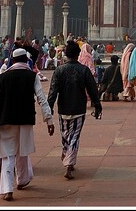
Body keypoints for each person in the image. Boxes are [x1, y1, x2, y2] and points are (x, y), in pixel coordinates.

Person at [0, 47, 55, 201]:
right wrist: (49, 119)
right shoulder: (32, 76)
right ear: (26, 60)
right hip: (25, 119)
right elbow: (41, 99)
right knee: (23, 151)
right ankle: (22, 180)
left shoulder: (3, 76)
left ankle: (8, 189)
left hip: (6, 119)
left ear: (14, 60)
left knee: (7, 154)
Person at [47, 41, 102, 180]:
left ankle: (67, 156)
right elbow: (93, 90)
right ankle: (69, 164)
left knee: (65, 135)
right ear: (78, 54)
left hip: (63, 108)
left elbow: (53, 92)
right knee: (74, 136)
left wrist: (49, 110)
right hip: (78, 107)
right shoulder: (84, 70)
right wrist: (97, 104)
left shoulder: (59, 70)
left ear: (66, 54)